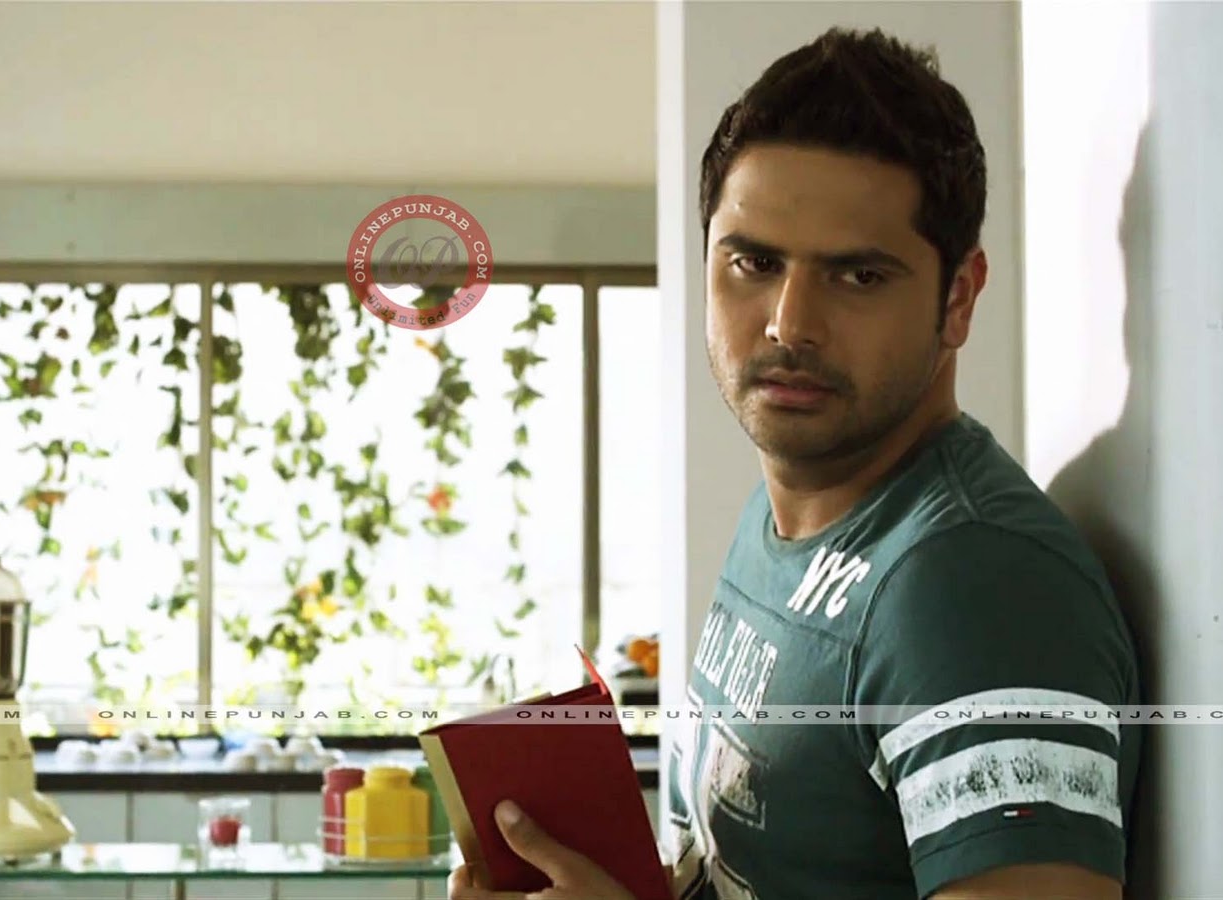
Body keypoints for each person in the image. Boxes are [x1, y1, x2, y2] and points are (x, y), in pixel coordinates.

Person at [451, 25, 1140, 900]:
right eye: (754, 262)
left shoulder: (974, 587)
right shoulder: (787, 514)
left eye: (858, 276)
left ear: (958, 298)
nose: (789, 323)